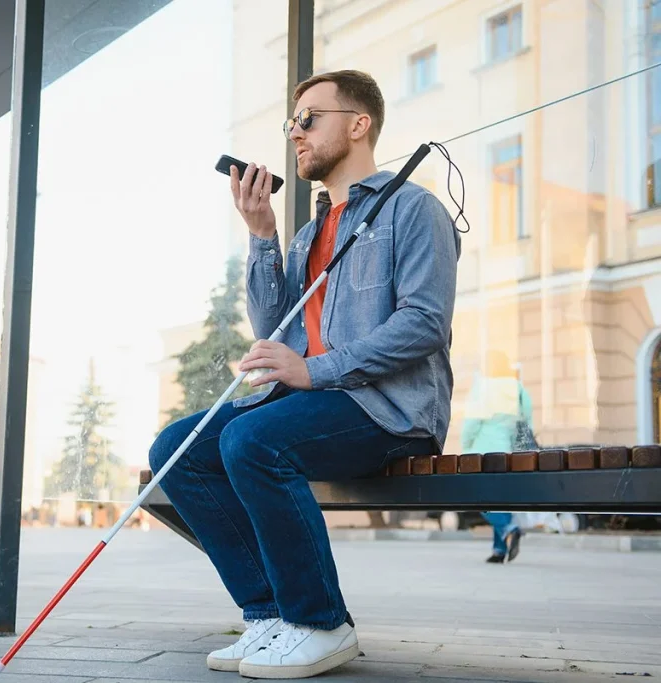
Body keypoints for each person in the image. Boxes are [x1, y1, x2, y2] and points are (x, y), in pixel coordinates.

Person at [148, 69, 460, 679]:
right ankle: (269, 616)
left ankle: (320, 623)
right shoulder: (311, 231)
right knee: (177, 449)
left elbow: (425, 322)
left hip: (388, 409)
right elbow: (276, 326)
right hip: (314, 403)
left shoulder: (412, 208)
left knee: (251, 440)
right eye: (291, 122)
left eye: (309, 119)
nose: (296, 133)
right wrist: (262, 236)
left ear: (358, 124)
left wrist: (316, 370)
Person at [461, 350, 533, 563]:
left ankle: (509, 529)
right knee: (498, 501)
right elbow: (526, 423)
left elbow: (472, 423)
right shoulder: (518, 389)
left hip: (481, 453)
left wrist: (465, 444)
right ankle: (499, 550)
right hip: (505, 453)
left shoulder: (483, 388)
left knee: (479, 500)